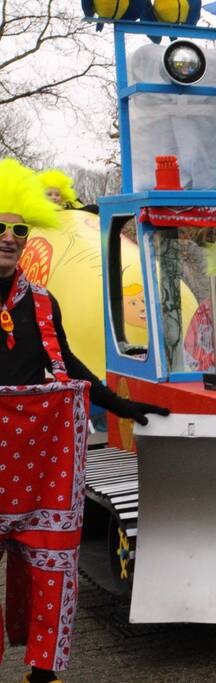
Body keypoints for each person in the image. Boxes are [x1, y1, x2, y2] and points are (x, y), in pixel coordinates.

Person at [0, 158, 168, 683]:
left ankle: (43, 671)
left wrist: (123, 406)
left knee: (53, 560)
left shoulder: (43, 303)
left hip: (41, 453)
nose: (9, 238)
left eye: (19, 229)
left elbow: (70, 368)